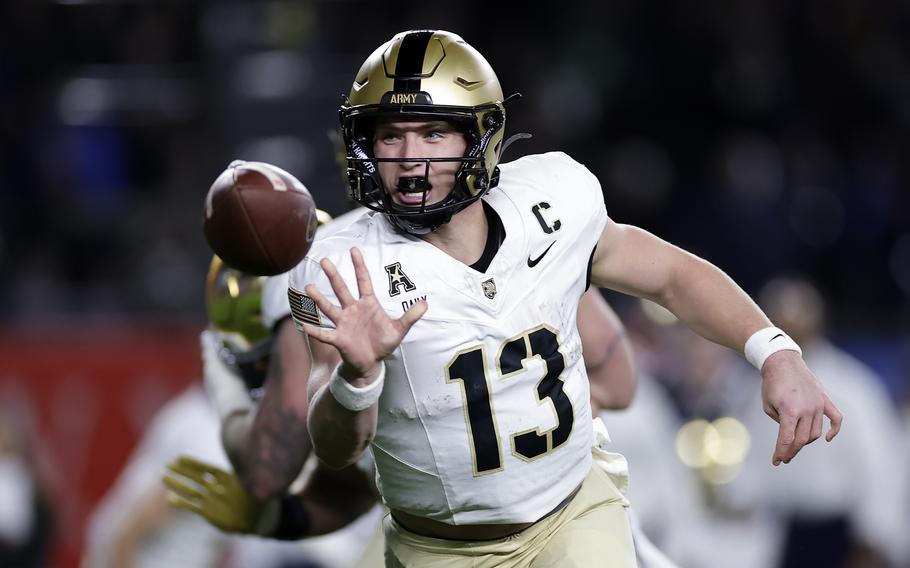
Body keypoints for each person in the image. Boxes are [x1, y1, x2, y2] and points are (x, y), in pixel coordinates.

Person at [243, 29, 842, 567]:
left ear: (483, 138)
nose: (409, 159)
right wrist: (356, 375)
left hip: (575, 511)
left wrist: (776, 353)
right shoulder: (337, 263)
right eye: (390, 136)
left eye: (433, 132)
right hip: (439, 548)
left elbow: (671, 276)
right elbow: (335, 448)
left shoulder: (552, 200)